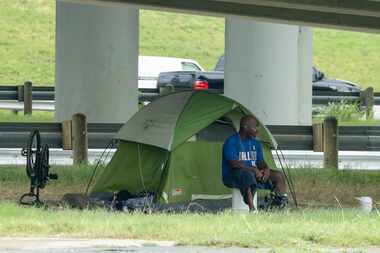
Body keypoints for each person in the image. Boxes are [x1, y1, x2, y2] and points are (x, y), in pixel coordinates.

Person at [222, 115, 288, 210]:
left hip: (253, 174)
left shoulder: (255, 143)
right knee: (248, 175)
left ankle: (278, 205)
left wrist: (266, 169)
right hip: (232, 176)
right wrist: (253, 169)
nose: (257, 130)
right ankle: (252, 209)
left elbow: (260, 162)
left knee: (278, 176)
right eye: (255, 127)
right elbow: (234, 164)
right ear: (245, 127)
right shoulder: (231, 142)